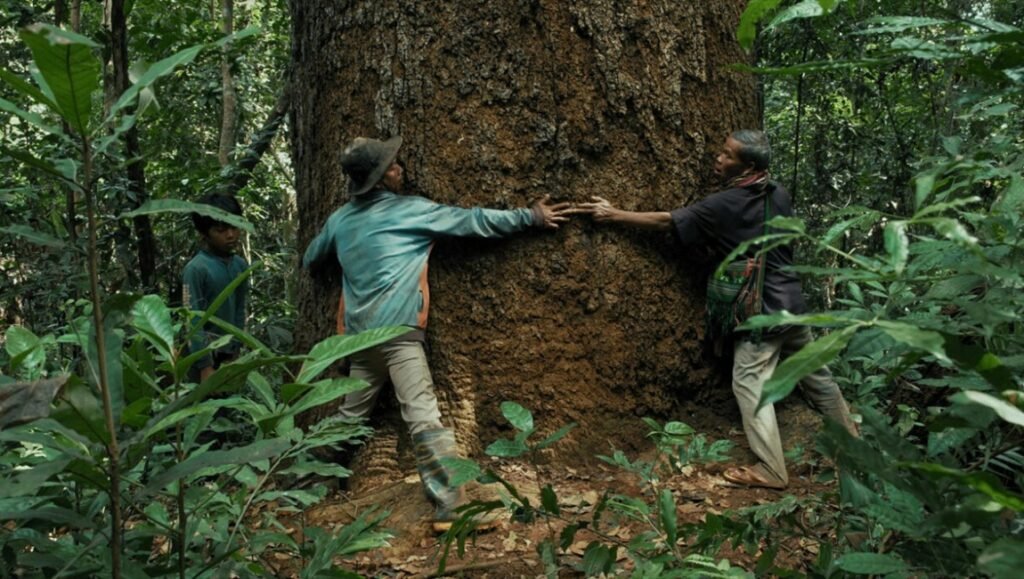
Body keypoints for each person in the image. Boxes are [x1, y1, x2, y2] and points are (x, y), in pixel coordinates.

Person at [303, 135, 571, 530]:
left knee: (348, 417)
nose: (400, 169)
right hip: (398, 336)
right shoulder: (410, 211)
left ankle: (304, 485)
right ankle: (451, 508)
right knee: (424, 418)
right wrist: (530, 216)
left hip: (359, 341)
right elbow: (473, 221)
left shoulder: (340, 220)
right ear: (378, 180)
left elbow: (311, 257)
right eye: (392, 167)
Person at [569, 129, 857, 490]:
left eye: (727, 155)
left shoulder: (724, 205)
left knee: (750, 382)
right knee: (818, 377)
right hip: (792, 304)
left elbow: (667, 221)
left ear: (747, 165)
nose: (718, 158)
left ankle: (771, 468)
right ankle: (856, 449)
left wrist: (612, 215)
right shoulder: (777, 193)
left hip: (762, 312)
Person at [183, 193, 249, 382]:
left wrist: (235, 349)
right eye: (221, 230)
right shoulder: (196, 269)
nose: (231, 235)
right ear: (205, 233)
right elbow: (192, 320)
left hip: (229, 355)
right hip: (203, 359)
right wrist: (204, 366)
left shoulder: (240, 266)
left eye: (234, 227)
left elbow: (238, 309)